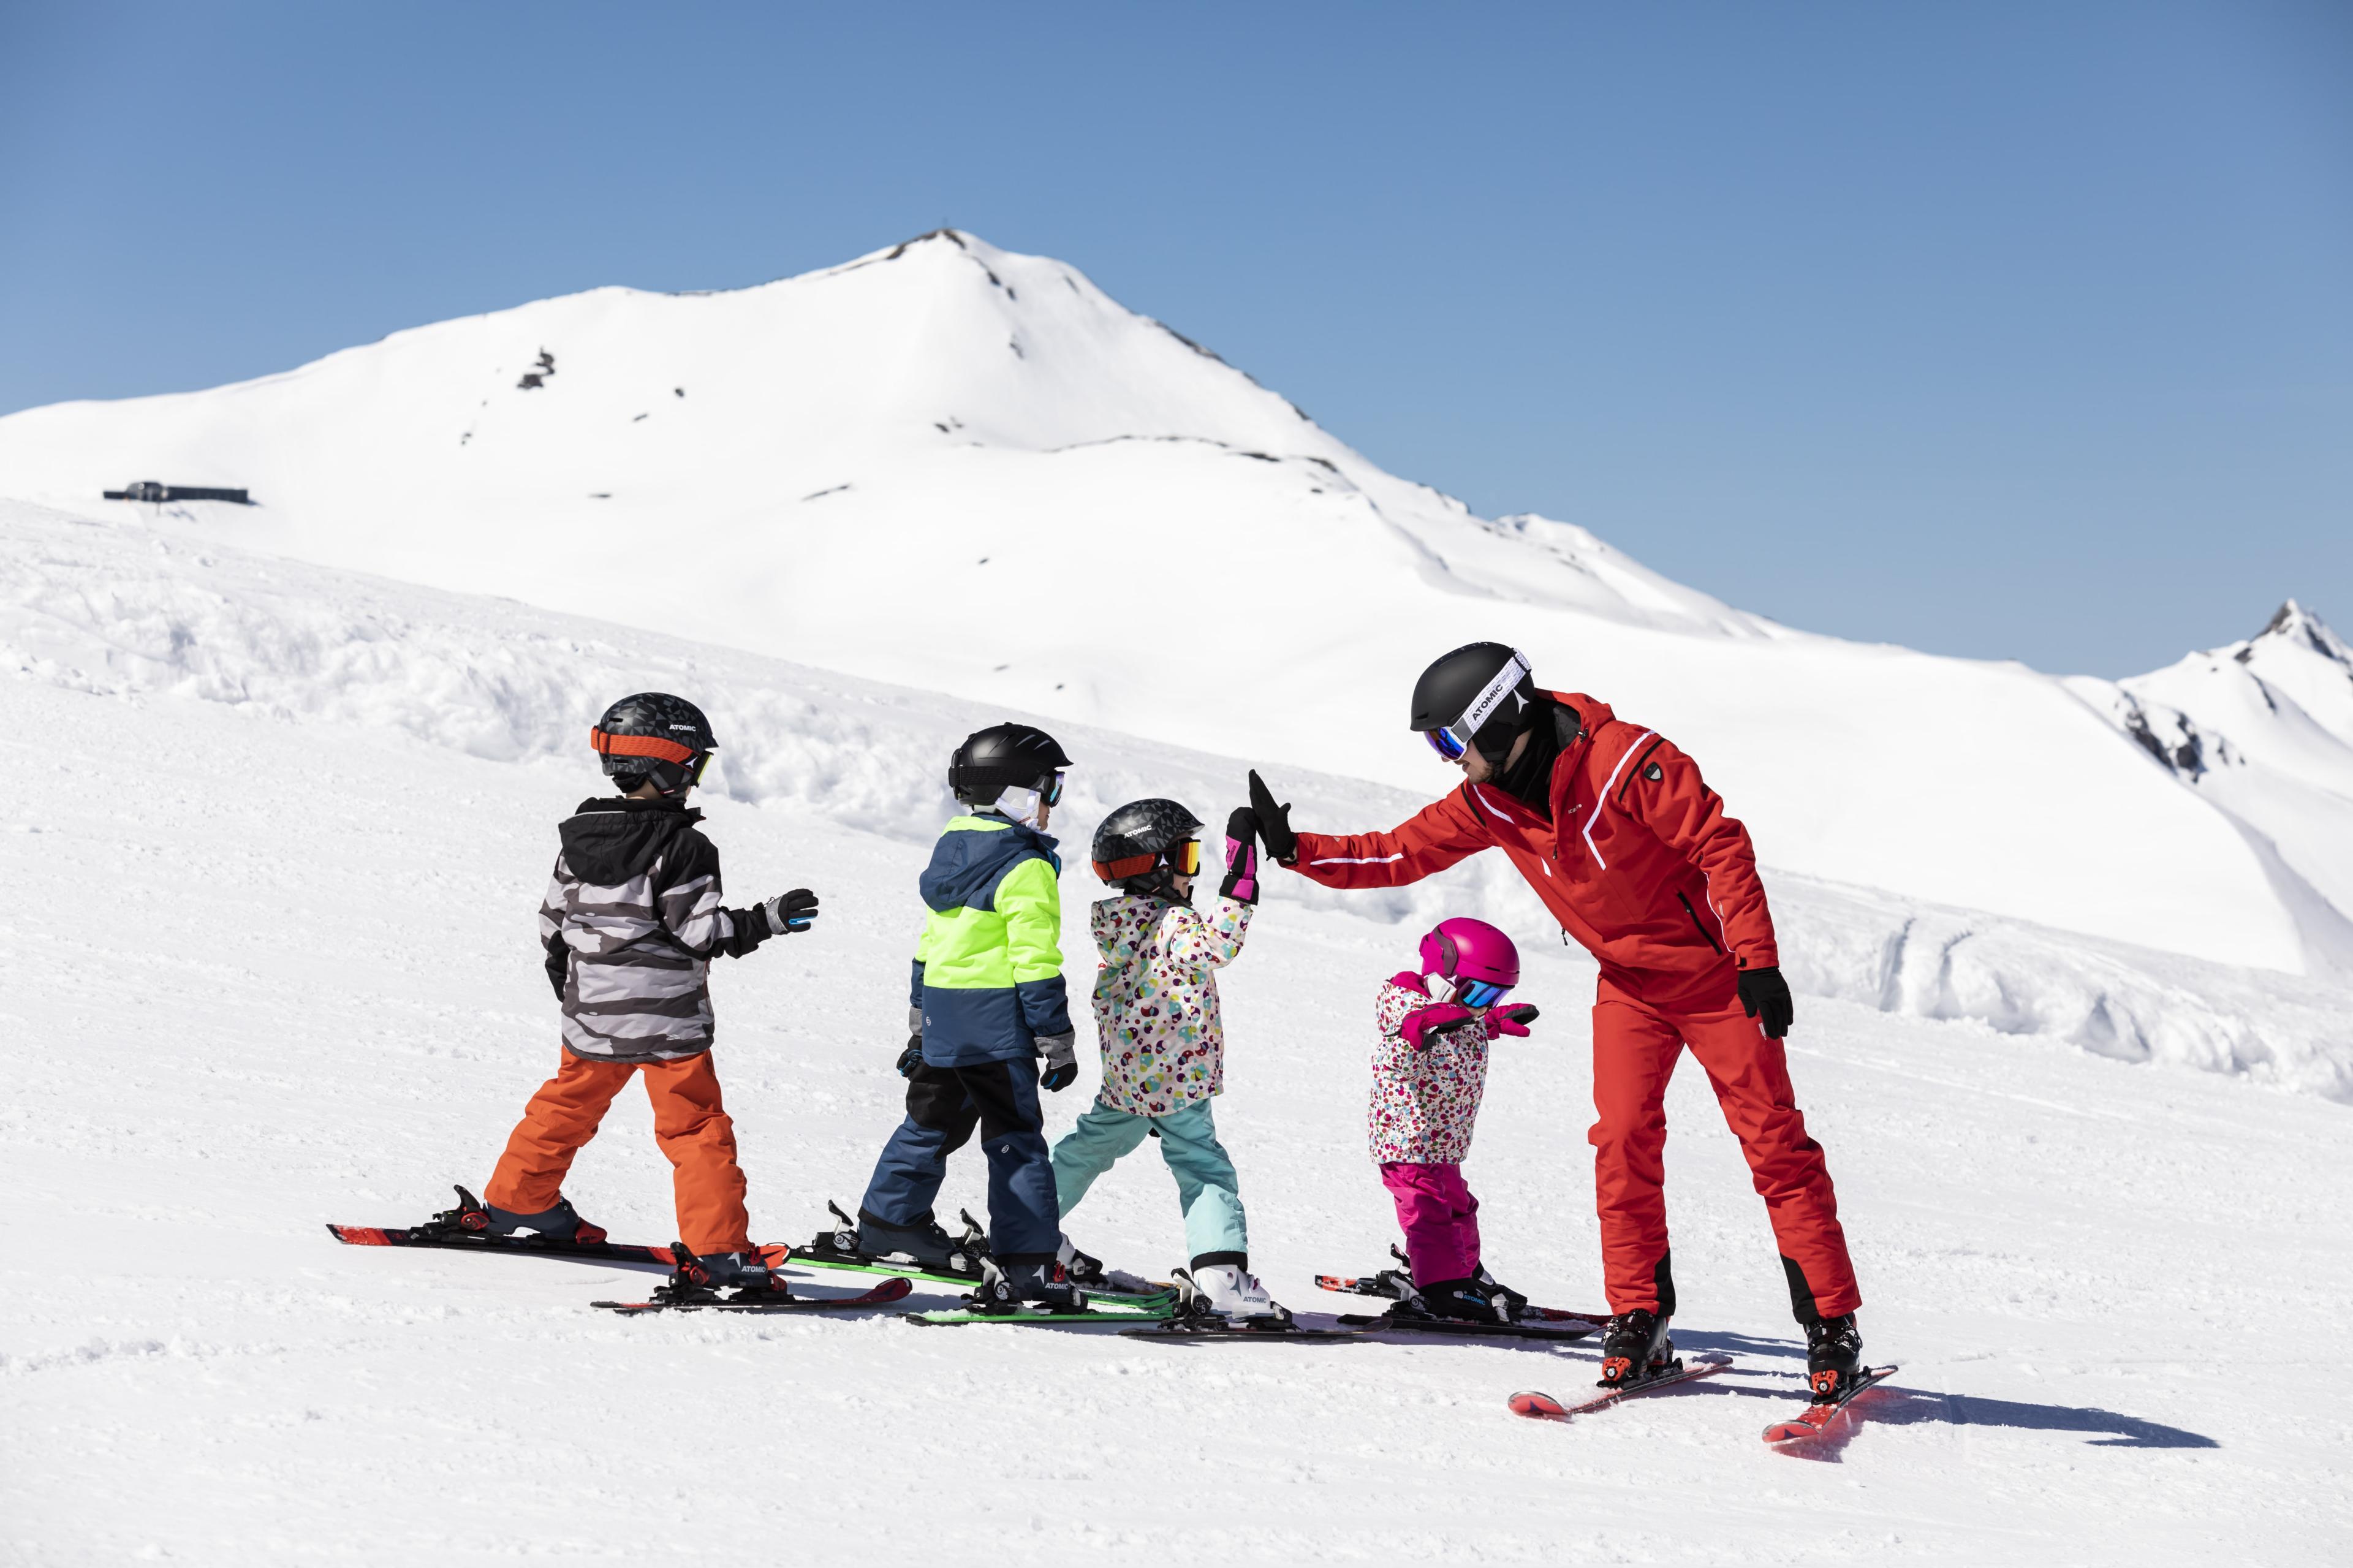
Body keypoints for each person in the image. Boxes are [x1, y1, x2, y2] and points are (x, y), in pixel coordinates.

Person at [1248, 643, 1866, 1396]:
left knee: (1774, 1144)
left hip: (1713, 983)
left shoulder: (1626, 761)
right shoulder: (1488, 800)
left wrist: (1756, 958)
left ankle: (1831, 1326)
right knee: (1621, 1141)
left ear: (1500, 720)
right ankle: (1639, 1316)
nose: (1448, 760)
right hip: (1629, 988)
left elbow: (1721, 844)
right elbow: (1397, 853)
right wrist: (1294, 851)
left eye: (1451, 740)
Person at [470, 692, 820, 1303]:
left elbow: (554, 929)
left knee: (564, 1109)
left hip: (593, 1019)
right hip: (669, 1028)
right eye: (696, 766)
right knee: (695, 1131)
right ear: (670, 766)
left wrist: (580, 997)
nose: (695, 780)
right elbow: (701, 933)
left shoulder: (577, 841)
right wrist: (769, 920)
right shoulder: (684, 847)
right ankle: (716, 1255)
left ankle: (513, 1203)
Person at [854, 722, 1083, 1311]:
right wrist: (1056, 1038)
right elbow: (1034, 960)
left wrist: (919, 1018)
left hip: (946, 1016)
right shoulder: (1025, 865)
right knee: (1016, 1140)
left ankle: (889, 1219)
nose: (1053, 803)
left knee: (933, 1119)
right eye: (1049, 789)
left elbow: (930, 943)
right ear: (1013, 793)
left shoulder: (953, 848)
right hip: (996, 1023)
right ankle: (1028, 1262)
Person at [1048, 799, 1284, 1320]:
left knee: (1090, 1147)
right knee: (1203, 1166)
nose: (1190, 872)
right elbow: (1219, 944)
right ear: (1155, 865)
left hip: (1128, 1078)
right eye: (1187, 857)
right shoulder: (1172, 920)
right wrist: (1242, 869)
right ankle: (1222, 1276)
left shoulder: (1118, 922)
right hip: (1177, 1078)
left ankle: (1023, 1230)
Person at [1366, 917, 1542, 1322]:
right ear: (1441, 974)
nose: (1481, 1005)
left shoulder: (1461, 1012)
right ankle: (1441, 1285)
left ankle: (1462, 1273)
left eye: (1495, 996)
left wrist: (1493, 1022)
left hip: (1443, 1142)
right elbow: (1393, 1061)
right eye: (1478, 992)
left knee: (1460, 1208)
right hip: (1407, 1141)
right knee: (1428, 1211)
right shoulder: (1407, 1015)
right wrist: (1416, 1032)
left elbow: (1464, 1027)